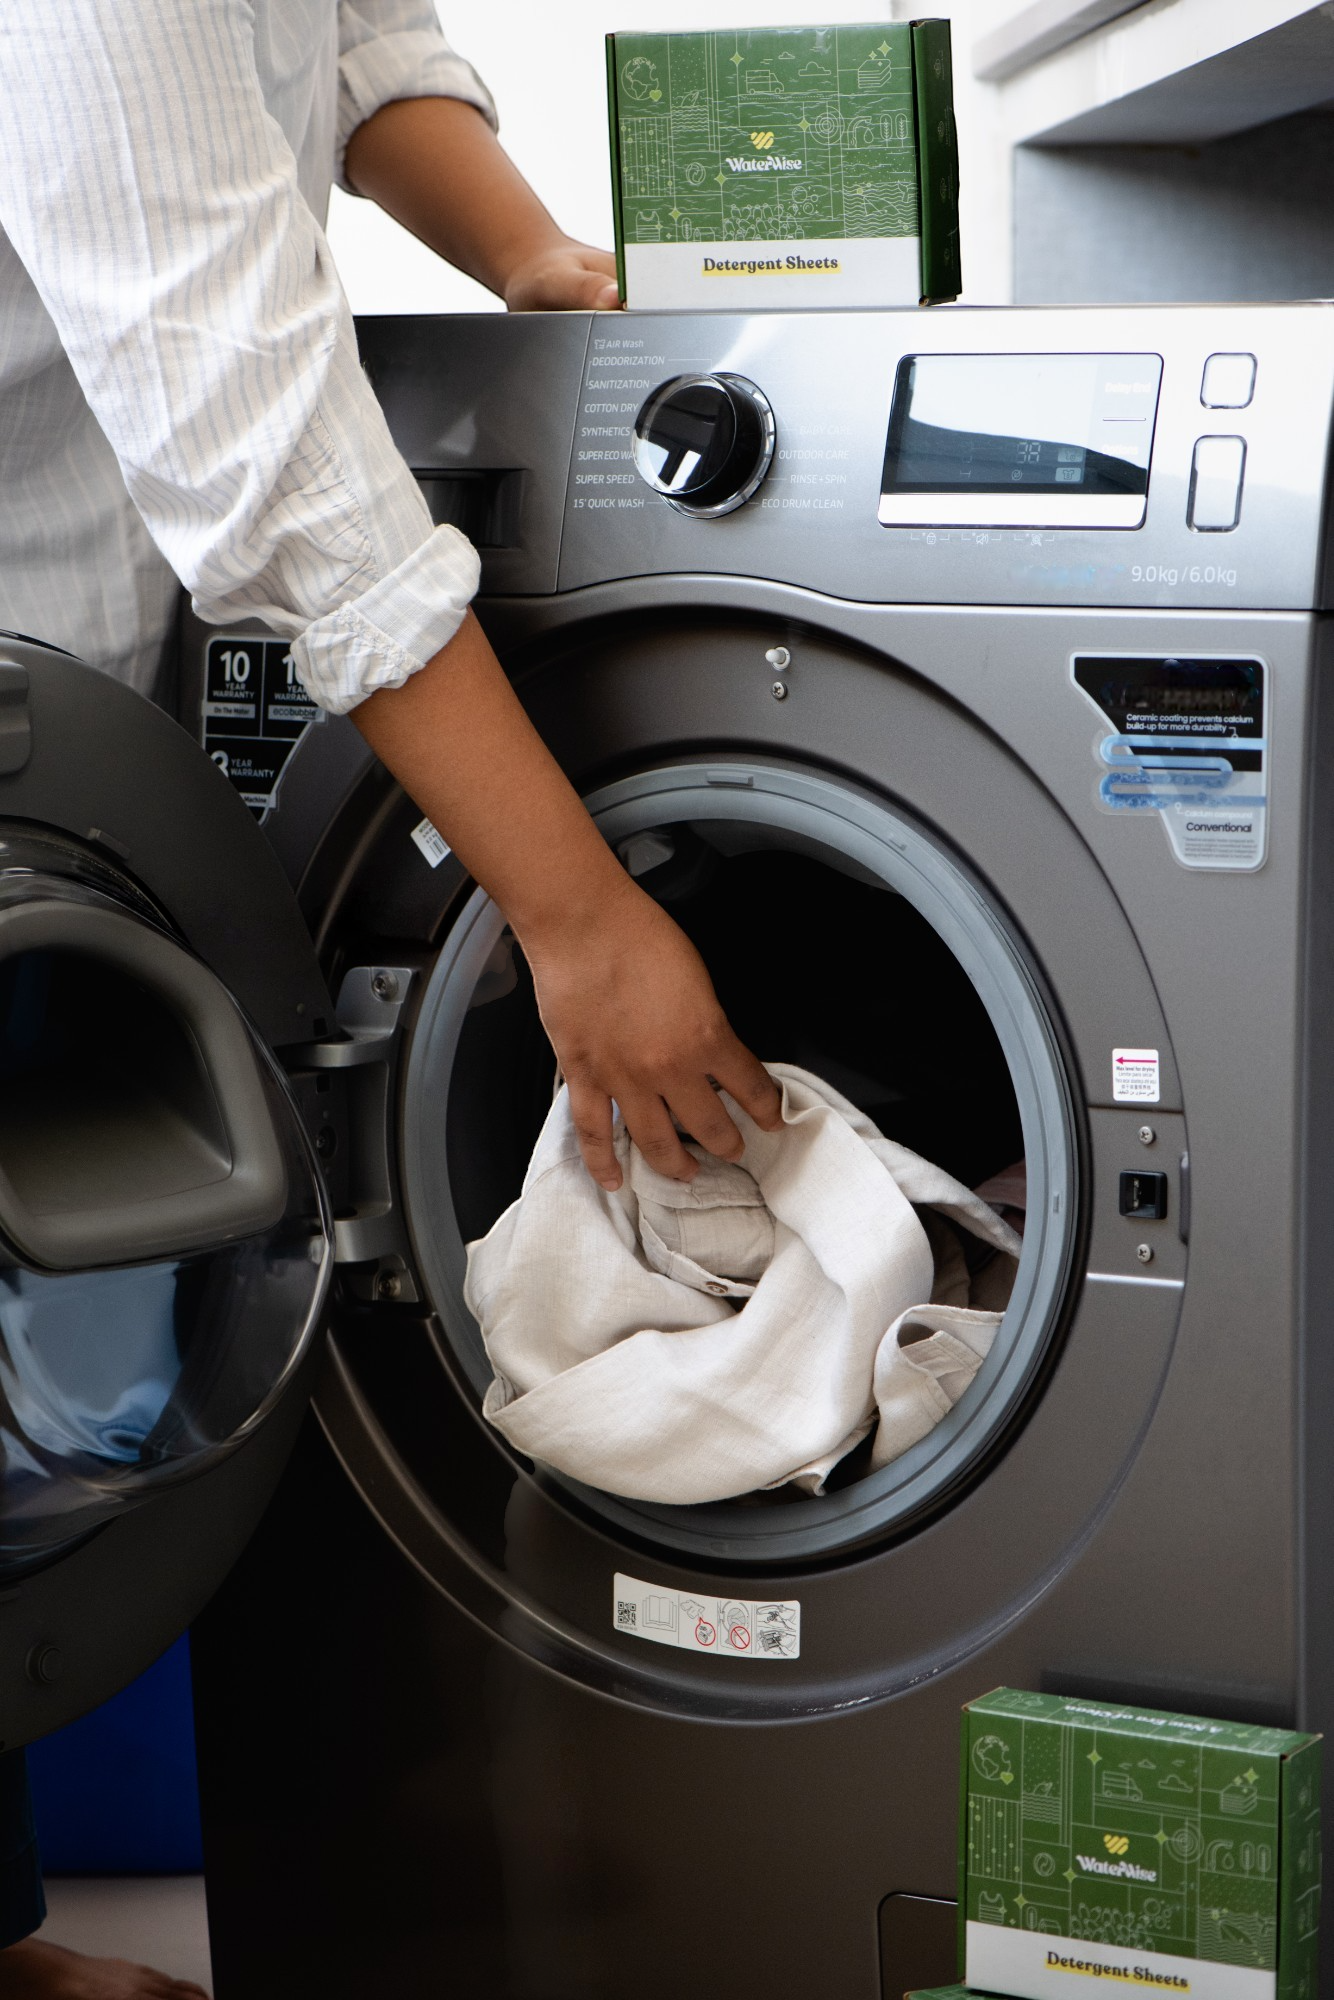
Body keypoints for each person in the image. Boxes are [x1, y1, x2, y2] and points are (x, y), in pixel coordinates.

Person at [0, 5, 782, 1994]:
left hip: (61, 684)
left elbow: (357, 47)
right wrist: (578, 913)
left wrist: (533, 268)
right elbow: (250, 425)